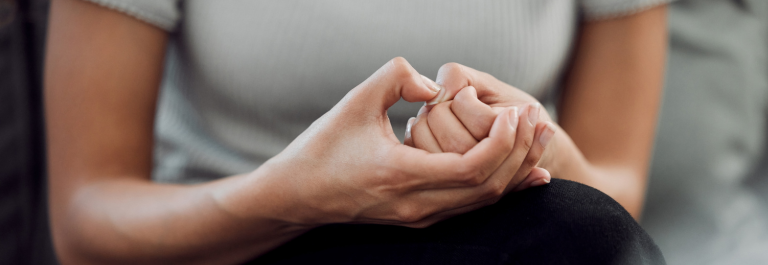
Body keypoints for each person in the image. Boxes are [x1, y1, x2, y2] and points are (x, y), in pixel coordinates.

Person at [45, 0, 670, 263]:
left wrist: (537, 148)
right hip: (233, 249)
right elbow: (84, 220)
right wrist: (288, 197)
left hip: (512, 244)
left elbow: (617, 184)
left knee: (582, 229)